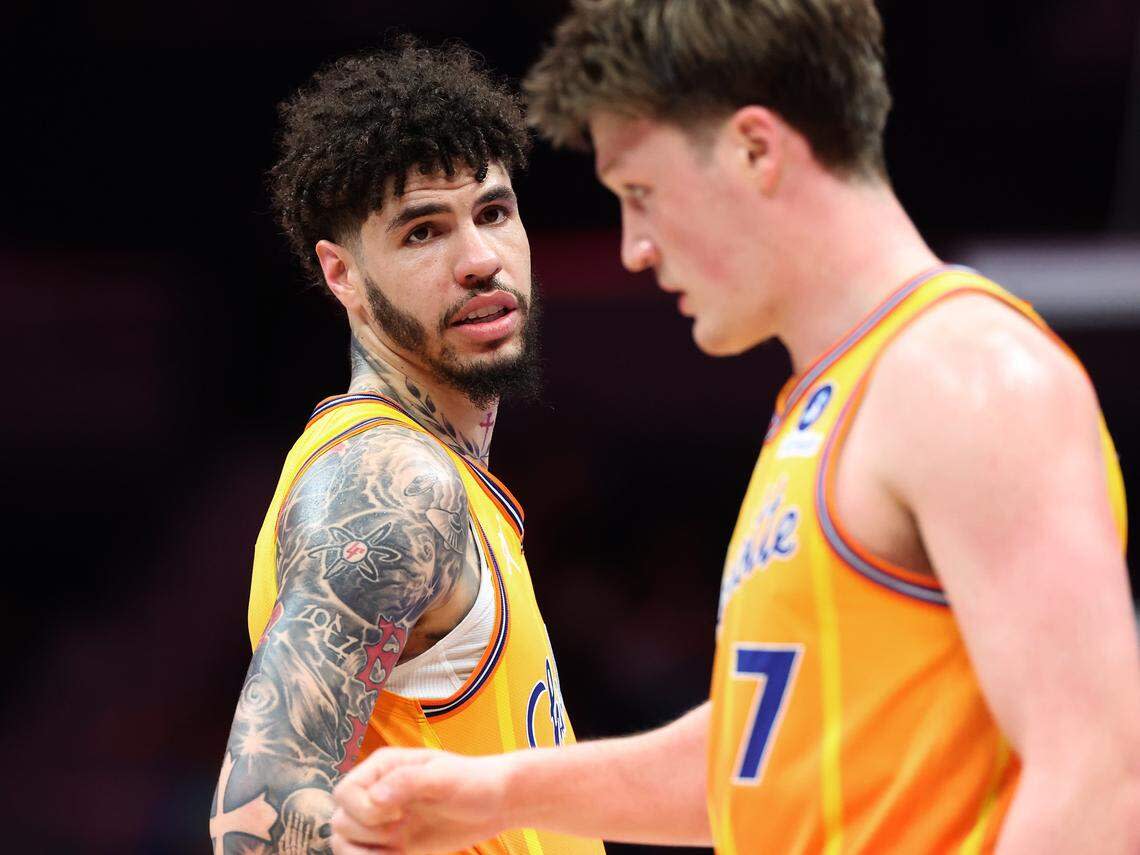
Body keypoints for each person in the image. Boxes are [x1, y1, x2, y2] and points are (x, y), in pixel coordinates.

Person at [330, 2, 1140, 853]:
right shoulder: (836, 401)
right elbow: (765, 758)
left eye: (641, 194)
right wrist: (491, 791)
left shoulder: (964, 375)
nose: (635, 246)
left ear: (756, 149)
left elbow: (1098, 773)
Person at [209, 41, 605, 855]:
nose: (480, 260)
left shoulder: (449, 485)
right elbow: (255, 825)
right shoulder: (387, 482)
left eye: (493, 213)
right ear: (342, 274)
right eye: (424, 231)